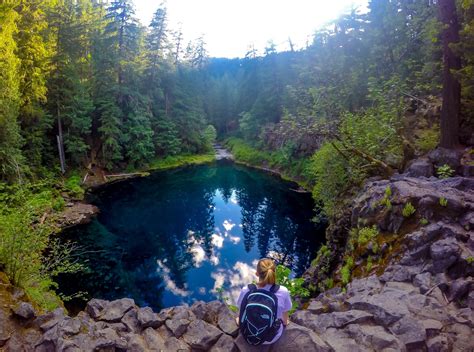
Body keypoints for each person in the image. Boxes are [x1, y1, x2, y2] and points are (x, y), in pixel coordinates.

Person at [236, 258, 292, 346]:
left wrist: (239, 320)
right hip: (271, 337)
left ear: (257, 273)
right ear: (274, 273)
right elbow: (285, 317)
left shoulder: (247, 290)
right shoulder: (283, 291)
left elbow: (241, 309)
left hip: (248, 334)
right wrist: (285, 322)